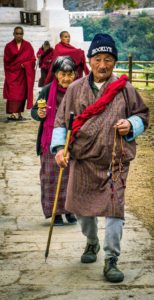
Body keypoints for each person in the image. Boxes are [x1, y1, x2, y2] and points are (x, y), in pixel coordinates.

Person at [50, 34, 149, 282]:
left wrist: (131, 124)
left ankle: (111, 259)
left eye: (108, 59)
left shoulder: (125, 90)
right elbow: (62, 122)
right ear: (90, 61)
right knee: (83, 212)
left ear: (114, 61)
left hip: (114, 163)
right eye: (97, 59)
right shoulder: (75, 89)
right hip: (83, 162)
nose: (102, 65)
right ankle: (92, 242)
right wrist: (60, 149)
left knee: (115, 211)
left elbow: (143, 115)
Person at [31, 56, 77, 226]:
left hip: (72, 140)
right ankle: (55, 213)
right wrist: (39, 114)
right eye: (62, 74)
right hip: (49, 141)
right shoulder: (47, 90)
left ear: (74, 74)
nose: (66, 78)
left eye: (70, 74)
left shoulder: (78, 90)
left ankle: (70, 211)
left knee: (70, 177)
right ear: (56, 74)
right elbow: (35, 110)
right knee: (50, 177)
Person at [3, 26, 36, 121]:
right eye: (17, 33)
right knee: (14, 93)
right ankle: (13, 113)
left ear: (23, 34)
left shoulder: (27, 45)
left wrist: (26, 65)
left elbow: (32, 59)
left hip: (23, 74)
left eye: (20, 33)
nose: (19, 35)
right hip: (13, 74)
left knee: (21, 94)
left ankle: (19, 113)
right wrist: (15, 67)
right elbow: (7, 61)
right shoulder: (9, 46)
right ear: (13, 34)